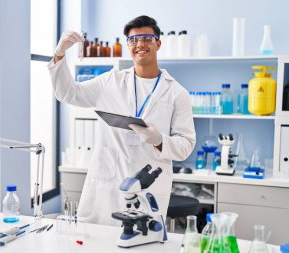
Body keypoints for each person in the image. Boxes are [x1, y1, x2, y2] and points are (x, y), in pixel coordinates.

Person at [48, 15, 195, 226]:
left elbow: (186, 145)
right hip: (106, 184)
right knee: (94, 241)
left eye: (146, 38)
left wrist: (159, 140)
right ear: (128, 45)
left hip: (147, 188)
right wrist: (59, 53)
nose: (140, 44)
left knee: (140, 241)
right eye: (133, 40)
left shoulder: (177, 93)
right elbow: (67, 93)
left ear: (158, 43)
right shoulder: (111, 80)